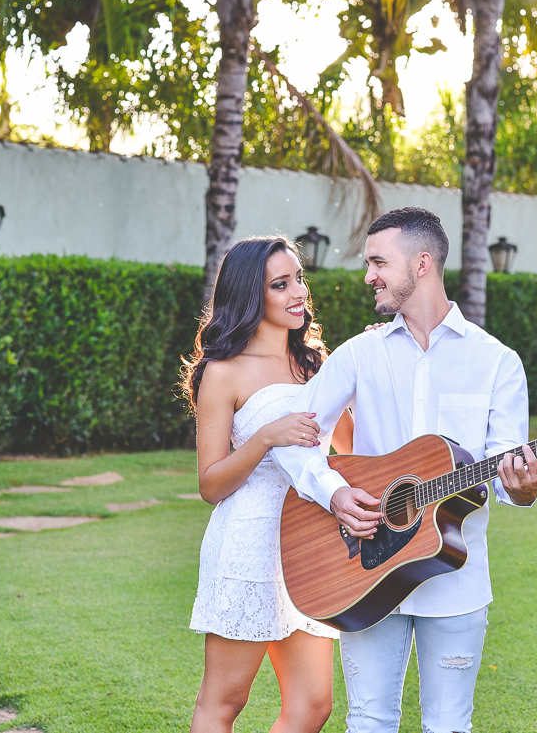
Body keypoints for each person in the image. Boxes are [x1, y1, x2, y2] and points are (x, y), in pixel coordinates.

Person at [271, 207, 537, 733]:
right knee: (368, 721)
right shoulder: (360, 354)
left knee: (449, 725)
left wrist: (524, 487)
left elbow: (508, 478)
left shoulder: (497, 362)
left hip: (456, 577)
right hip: (363, 570)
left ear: (422, 264)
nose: (368, 275)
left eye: (379, 262)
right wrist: (333, 493)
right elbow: (291, 438)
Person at [181, 237, 354, 733]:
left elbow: (351, 449)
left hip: (311, 543)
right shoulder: (223, 372)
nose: (298, 292)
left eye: (299, 278)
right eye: (281, 284)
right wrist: (263, 438)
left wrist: (369, 371)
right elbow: (210, 485)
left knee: (312, 706)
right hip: (249, 544)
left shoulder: (317, 366)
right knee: (224, 701)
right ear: (249, 294)